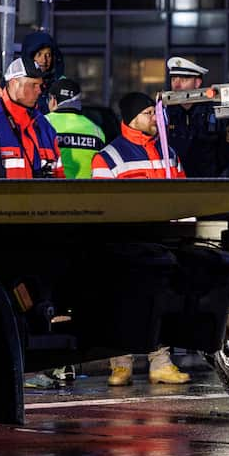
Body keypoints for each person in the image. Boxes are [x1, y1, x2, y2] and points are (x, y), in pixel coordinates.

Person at [92, 92, 190, 386]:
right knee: (123, 301)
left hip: (161, 240)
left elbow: (184, 195)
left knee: (159, 302)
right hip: (124, 242)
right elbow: (102, 207)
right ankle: (120, 364)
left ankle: (160, 361)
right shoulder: (108, 157)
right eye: (149, 113)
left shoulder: (167, 152)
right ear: (133, 118)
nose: (155, 119)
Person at [164, 56, 229, 177]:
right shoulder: (164, 113)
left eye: (183, 80)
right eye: (174, 79)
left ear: (197, 83)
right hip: (173, 183)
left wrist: (211, 172)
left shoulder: (214, 112)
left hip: (205, 184)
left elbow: (227, 149)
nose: (176, 85)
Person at [0, 57, 65, 179]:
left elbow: (59, 176)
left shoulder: (44, 126)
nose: (39, 91)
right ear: (13, 83)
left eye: (41, 85)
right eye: (33, 85)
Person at [46, 77, 106, 180]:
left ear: (54, 101)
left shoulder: (43, 123)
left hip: (54, 191)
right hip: (86, 192)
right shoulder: (97, 131)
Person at [21, 30, 64, 114]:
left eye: (48, 55)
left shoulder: (61, 84)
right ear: (29, 56)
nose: (44, 60)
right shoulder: (16, 83)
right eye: (39, 54)